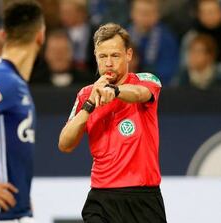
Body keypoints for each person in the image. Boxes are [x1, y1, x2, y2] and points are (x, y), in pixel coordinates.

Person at [58, 23, 167, 223]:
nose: (108, 63)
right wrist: (90, 104)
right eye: (103, 56)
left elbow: (139, 94)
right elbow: (65, 143)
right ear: (95, 57)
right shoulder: (85, 94)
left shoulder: (146, 80)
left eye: (115, 56)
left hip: (143, 198)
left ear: (129, 55)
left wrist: (115, 91)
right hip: (101, 197)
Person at [0, 0, 45, 222]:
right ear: (40, 36)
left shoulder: (15, 83)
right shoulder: (2, 80)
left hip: (14, 213)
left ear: (3, 35)